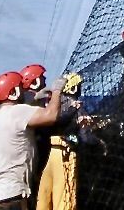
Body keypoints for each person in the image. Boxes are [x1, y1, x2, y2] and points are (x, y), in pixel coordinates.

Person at [0, 72, 65, 210]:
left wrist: (35, 98)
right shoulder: (17, 112)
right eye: (21, 88)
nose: (24, 91)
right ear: (14, 92)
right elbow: (50, 115)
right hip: (12, 195)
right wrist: (57, 90)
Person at [36, 73, 84, 210]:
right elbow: (86, 137)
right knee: (65, 199)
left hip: (49, 152)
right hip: (65, 153)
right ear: (74, 88)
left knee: (44, 197)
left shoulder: (52, 103)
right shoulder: (74, 105)